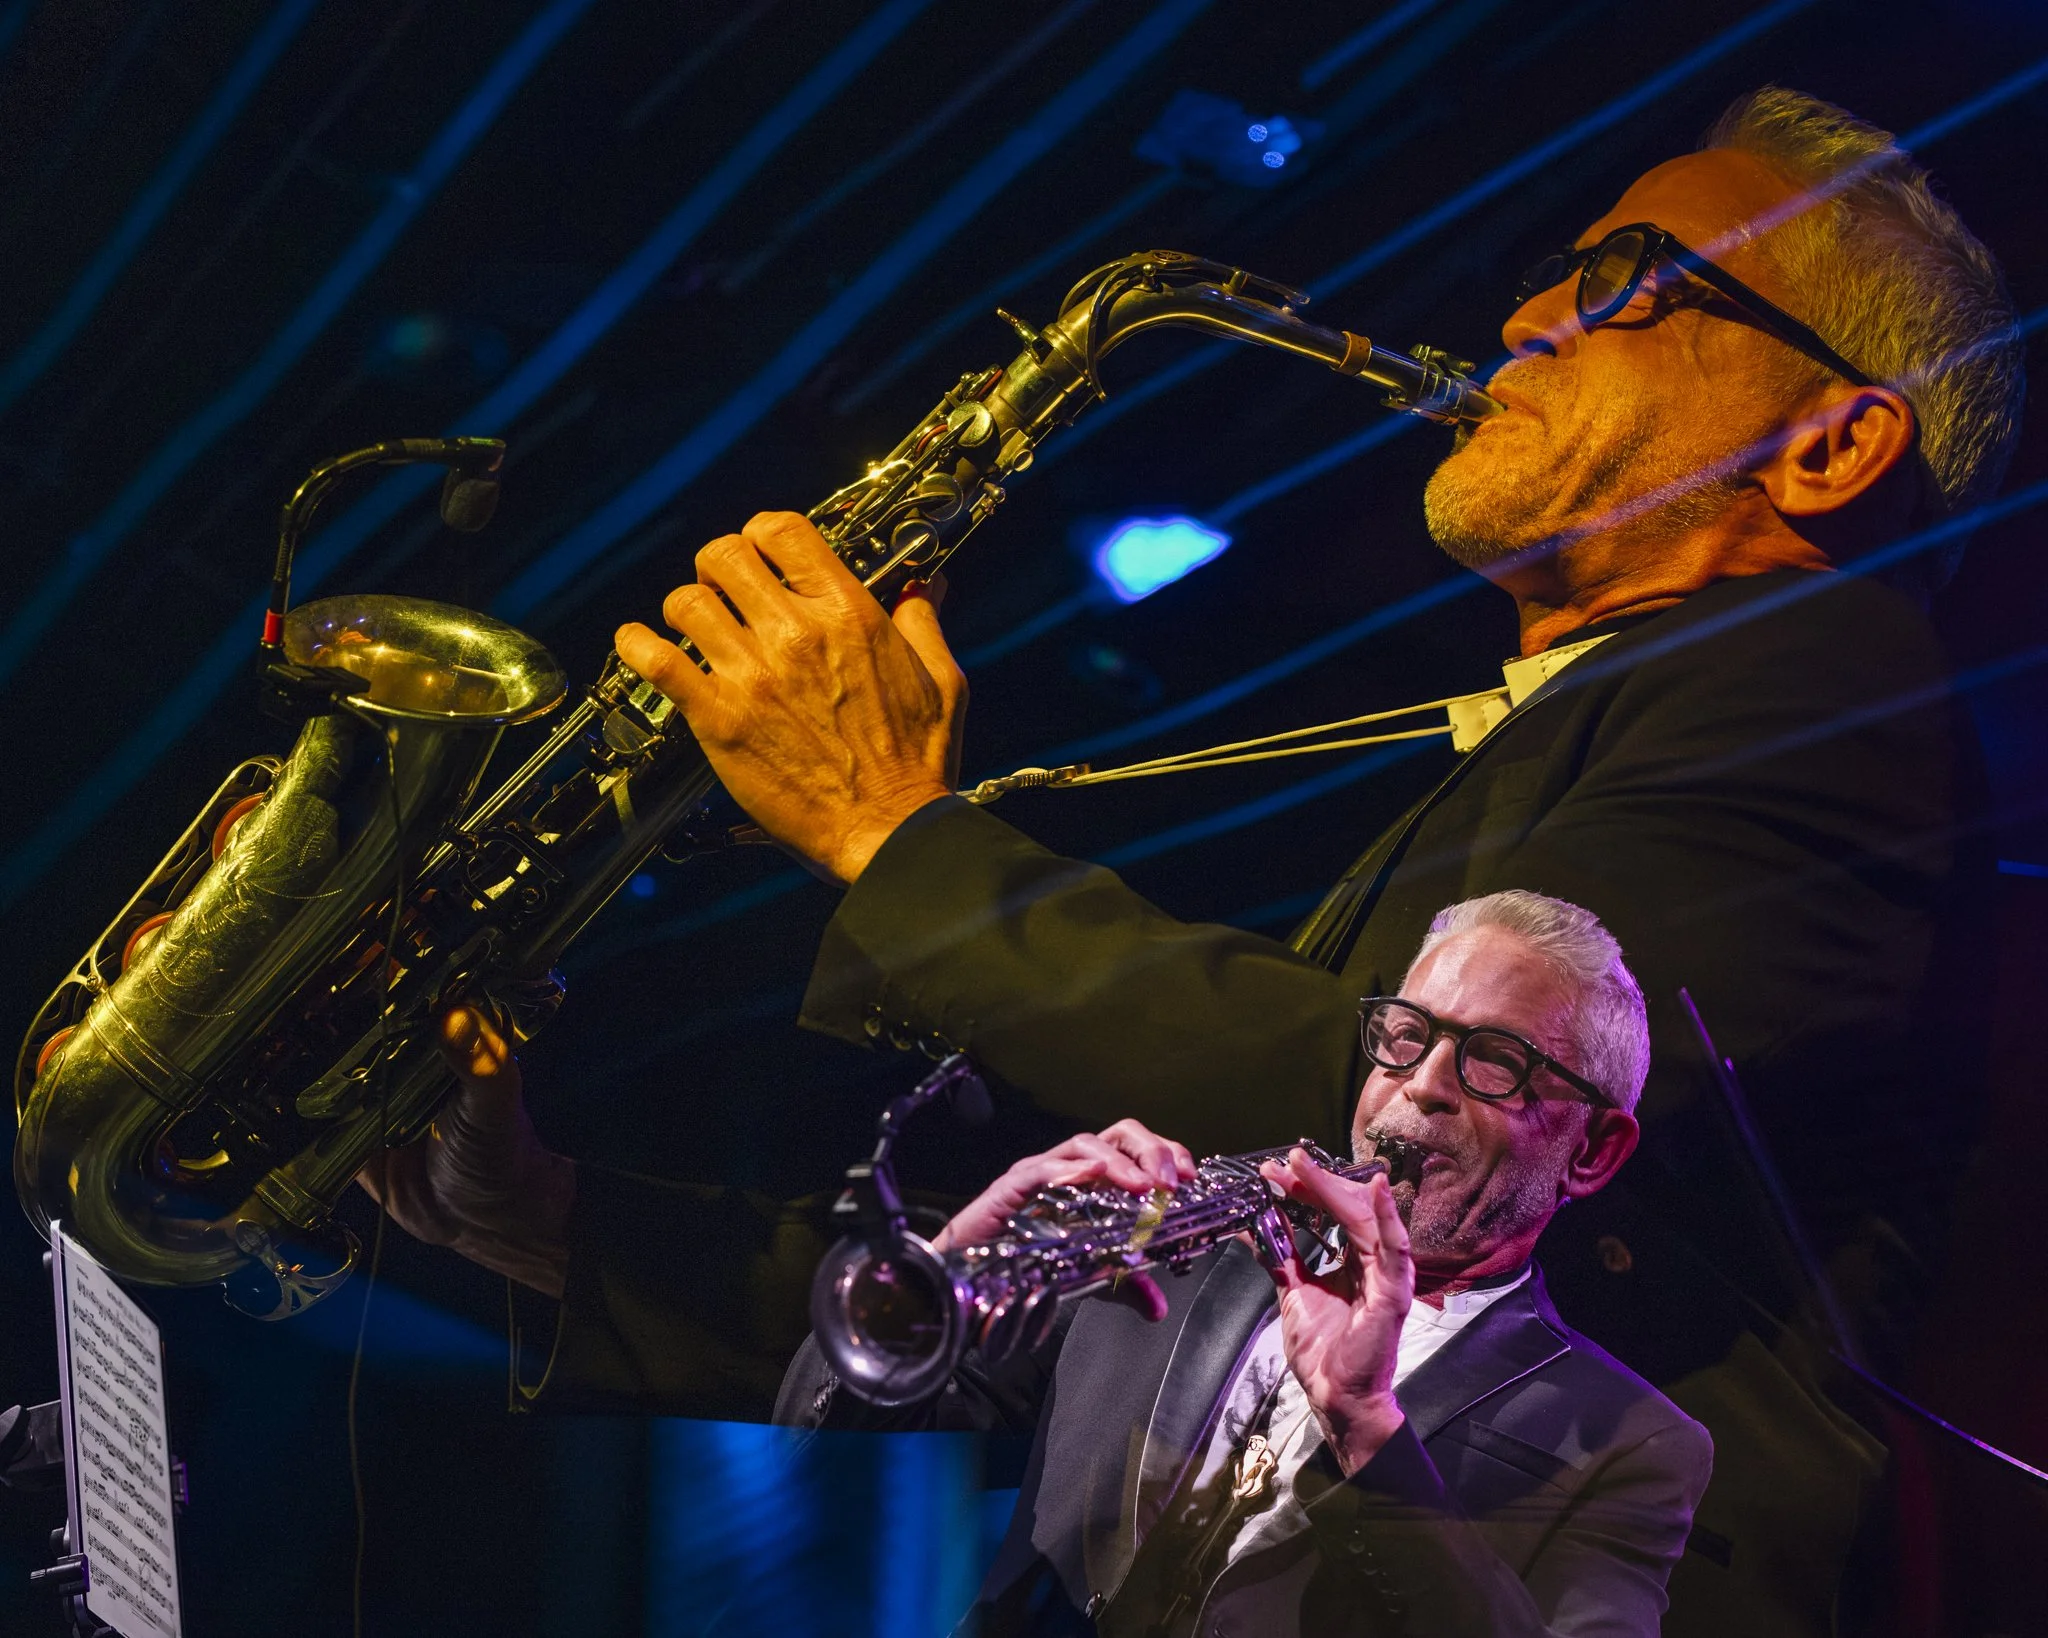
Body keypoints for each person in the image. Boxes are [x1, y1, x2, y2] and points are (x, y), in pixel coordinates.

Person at [363, 87, 2020, 1626]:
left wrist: (891, 831)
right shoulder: (1567, 753)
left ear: (1828, 445)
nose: (1525, 317)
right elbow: (1089, 1292)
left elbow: (1445, 1141)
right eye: (1552, 276)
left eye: (1630, 277)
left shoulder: (1824, 683)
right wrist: (545, 1217)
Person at [777, 891, 1711, 1636]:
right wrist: (938, 1272)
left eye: (1494, 1063)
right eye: (1406, 1037)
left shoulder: (1631, 1444)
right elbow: (819, 1463)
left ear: (1592, 1151)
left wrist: (1368, 1431)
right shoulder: (1176, 1249)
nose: (1421, 1085)